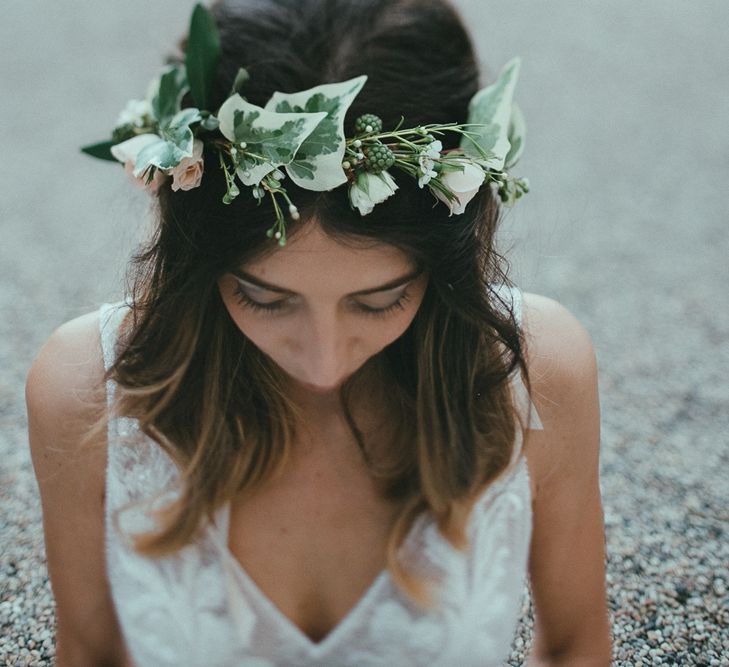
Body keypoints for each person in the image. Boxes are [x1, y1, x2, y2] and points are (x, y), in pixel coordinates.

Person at [25, 0, 612, 665]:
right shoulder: (85, 392)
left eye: (379, 300)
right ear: (199, 255)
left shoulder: (537, 373)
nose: (323, 360)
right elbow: (91, 653)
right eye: (264, 296)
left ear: (443, 262)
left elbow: (573, 647)